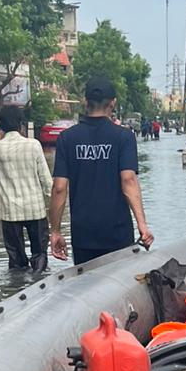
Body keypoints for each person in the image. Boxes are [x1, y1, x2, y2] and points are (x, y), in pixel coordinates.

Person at [50, 76, 153, 264]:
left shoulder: (67, 138)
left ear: (85, 102)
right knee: (118, 289)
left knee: (86, 288)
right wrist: (142, 225)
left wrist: (55, 231)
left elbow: (59, 187)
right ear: (112, 103)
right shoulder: (124, 137)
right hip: (117, 232)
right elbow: (128, 180)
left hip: (83, 234)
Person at [0, 104, 52, 273]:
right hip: (35, 210)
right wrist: (54, 205)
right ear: (21, 123)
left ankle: (17, 290)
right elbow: (46, 180)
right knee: (40, 255)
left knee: (16, 261)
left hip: (10, 212)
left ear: (0, 125)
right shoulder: (34, 145)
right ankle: (40, 283)